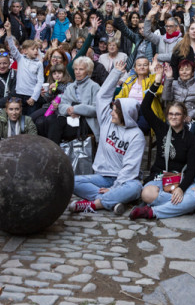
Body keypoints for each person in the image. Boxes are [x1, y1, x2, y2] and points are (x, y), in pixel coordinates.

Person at [130, 64, 195, 220]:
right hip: (160, 177)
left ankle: (152, 212)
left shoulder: (191, 138)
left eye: (177, 114)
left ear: (184, 116)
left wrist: (181, 189)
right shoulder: (161, 129)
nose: (173, 117)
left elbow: (192, 169)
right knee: (147, 194)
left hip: (181, 178)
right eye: (170, 114)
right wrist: (156, 82)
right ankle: (190, 206)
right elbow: (145, 107)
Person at [69, 60, 145, 215]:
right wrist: (116, 73)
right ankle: (112, 201)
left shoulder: (137, 136)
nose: (111, 112)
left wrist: (115, 187)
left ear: (126, 115)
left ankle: (95, 204)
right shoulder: (106, 121)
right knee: (72, 181)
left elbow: (130, 169)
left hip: (124, 180)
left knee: (136, 188)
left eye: (115, 111)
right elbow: (102, 97)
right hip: (102, 177)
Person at [40, 57, 100, 143]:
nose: (77, 72)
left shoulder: (94, 86)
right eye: (76, 69)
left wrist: (76, 109)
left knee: (56, 129)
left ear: (88, 71)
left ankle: (52, 152)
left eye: (81, 69)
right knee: (51, 121)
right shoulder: (70, 87)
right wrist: (68, 110)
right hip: (70, 117)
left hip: (86, 121)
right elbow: (62, 105)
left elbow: (96, 109)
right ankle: (52, 151)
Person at [116, 56, 164, 134]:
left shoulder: (152, 79)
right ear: (135, 68)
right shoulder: (129, 80)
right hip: (130, 111)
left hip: (146, 112)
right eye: (139, 65)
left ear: (149, 67)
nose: (142, 67)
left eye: (145, 65)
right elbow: (120, 96)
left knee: (138, 127)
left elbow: (159, 91)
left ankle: (131, 136)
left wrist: (153, 74)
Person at [5, 21, 44, 115]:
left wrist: (34, 97)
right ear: (25, 51)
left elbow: (40, 82)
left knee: (30, 119)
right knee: (17, 117)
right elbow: (12, 47)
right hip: (18, 94)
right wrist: (8, 31)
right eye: (33, 49)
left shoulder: (39, 64)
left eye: (37, 49)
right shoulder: (20, 59)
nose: (36, 51)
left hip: (31, 96)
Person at [161, 60, 195, 135]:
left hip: (192, 118)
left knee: (190, 132)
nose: (184, 72)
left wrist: (190, 115)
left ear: (193, 72)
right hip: (174, 116)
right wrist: (169, 79)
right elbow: (165, 98)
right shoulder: (173, 83)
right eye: (181, 70)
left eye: (187, 69)